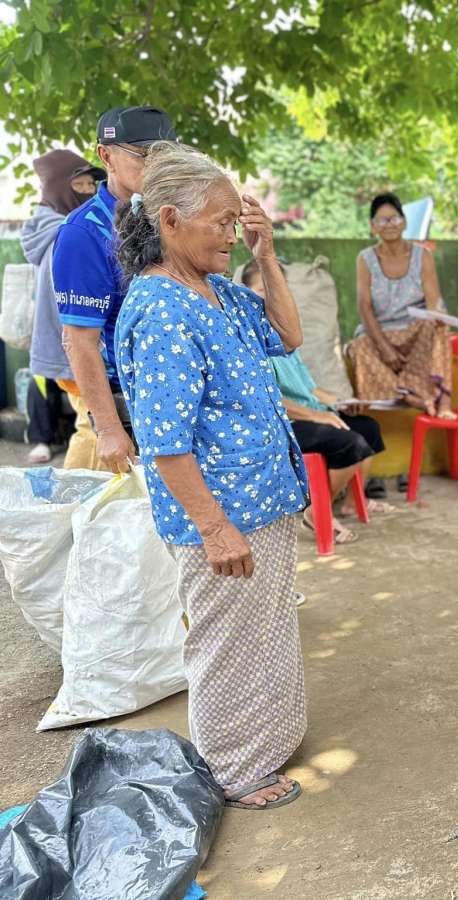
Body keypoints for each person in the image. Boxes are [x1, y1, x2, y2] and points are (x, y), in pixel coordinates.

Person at [114, 142, 307, 811]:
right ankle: (233, 767)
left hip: (264, 500)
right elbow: (165, 443)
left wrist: (267, 256)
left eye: (236, 221)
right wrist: (214, 525)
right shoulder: (163, 308)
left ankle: (268, 742)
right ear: (169, 220)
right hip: (223, 516)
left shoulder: (217, 289)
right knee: (226, 644)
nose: (232, 232)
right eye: (221, 222)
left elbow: (288, 335)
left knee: (267, 629)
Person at [55, 106, 177, 474]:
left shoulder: (173, 214)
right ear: (105, 155)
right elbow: (79, 341)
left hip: (180, 391)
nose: (157, 166)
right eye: (144, 155)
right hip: (130, 403)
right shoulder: (84, 233)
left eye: (166, 155)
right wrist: (108, 429)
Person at [243, 260, 395, 543]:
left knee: (368, 428)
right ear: (245, 291)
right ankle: (316, 511)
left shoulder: (284, 334)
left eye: (276, 288)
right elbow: (268, 399)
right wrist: (317, 417)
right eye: (262, 289)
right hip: (282, 423)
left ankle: (351, 502)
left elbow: (310, 388)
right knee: (349, 443)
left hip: (309, 413)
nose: (270, 295)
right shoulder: (248, 337)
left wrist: (343, 402)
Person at [345, 193, 455, 420]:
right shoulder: (365, 259)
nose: (389, 225)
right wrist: (384, 346)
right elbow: (365, 308)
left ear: (404, 223)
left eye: (394, 219)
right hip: (380, 332)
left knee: (439, 328)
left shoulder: (422, 255)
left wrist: (437, 314)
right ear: (373, 227)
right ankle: (410, 397)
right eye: (382, 220)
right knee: (359, 346)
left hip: (414, 330)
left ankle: (444, 402)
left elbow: (434, 300)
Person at [21, 150, 97, 465]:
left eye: (92, 184)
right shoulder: (67, 233)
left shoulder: (55, 227)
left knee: (90, 427)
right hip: (76, 348)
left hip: (64, 347)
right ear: (58, 190)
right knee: (92, 429)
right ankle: (75, 503)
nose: (91, 192)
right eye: (80, 185)